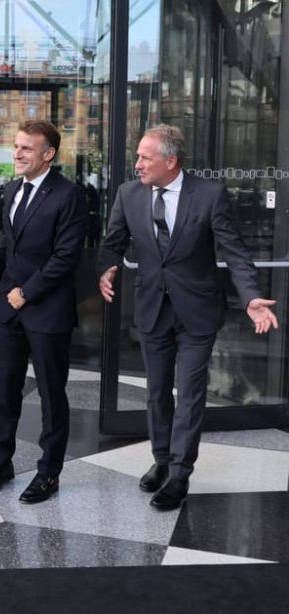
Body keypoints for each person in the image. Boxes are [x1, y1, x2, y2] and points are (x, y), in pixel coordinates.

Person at [98, 124, 278, 511]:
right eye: (138, 156)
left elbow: (235, 251)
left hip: (197, 311)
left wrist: (250, 297)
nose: (137, 164)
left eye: (145, 157)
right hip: (152, 309)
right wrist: (107, 268)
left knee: (190, 393)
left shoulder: (209, 195)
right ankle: (162, 459)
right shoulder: (129, 194)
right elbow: (113, 242)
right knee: (157, 392)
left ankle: (180, 474)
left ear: (171, 161)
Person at [0, 120, 88, 504]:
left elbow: (66, 256)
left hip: (47, 311)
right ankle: (0, 463)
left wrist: (27, 292)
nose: (17, 154)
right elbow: (11, 243)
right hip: (11, 309)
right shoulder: (12, 189)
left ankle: (48, 473)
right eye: (16, 146)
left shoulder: (69, 195)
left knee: (52, 395)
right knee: (5, 389)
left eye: (26, 148)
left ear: (48, 154)